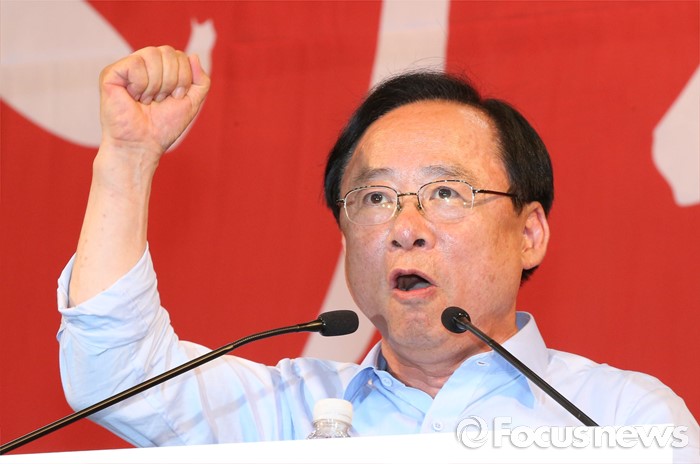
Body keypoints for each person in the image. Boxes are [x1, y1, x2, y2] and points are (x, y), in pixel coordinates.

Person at [57, 46, 699, 460]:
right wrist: (129, 160)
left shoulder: (620, 420)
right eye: (374, 198)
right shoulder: (285, 416)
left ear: (529, 234)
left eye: (445, 192)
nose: (405, 228)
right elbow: (116, 372)